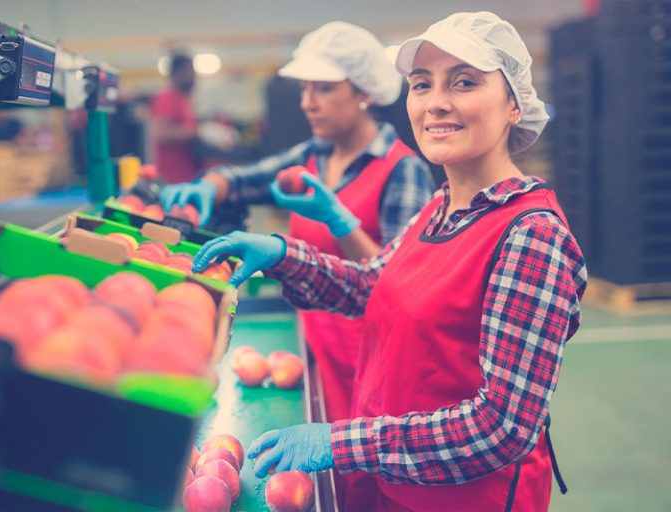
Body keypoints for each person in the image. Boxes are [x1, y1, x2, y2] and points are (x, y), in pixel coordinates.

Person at [193, 11, 587, 512]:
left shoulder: (530, 237)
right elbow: (369, 284)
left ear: (514, 105)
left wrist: (341, 443)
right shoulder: (440, 206)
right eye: (422, 84)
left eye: (464, 83)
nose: (437, 102)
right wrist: (280, 255)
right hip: (392, 483)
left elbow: (501, 429)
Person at [162, 22, 435, 425]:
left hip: (371, 356)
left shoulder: (402, 170)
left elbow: (398, 285)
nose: (308, 102)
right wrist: (209, 185)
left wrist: (341, 223)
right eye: (305, 89)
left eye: (323, 89)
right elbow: (246, 180)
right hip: (312, 340)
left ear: (363, 91)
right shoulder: (313, 156)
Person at [150, 53, 199, 184]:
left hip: (187, 175)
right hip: (172, 178)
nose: (194, 76)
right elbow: (162, 133)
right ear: (178, 73)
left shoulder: (183, 100)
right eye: (190, 71)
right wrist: (198, 132)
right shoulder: (167, 98)